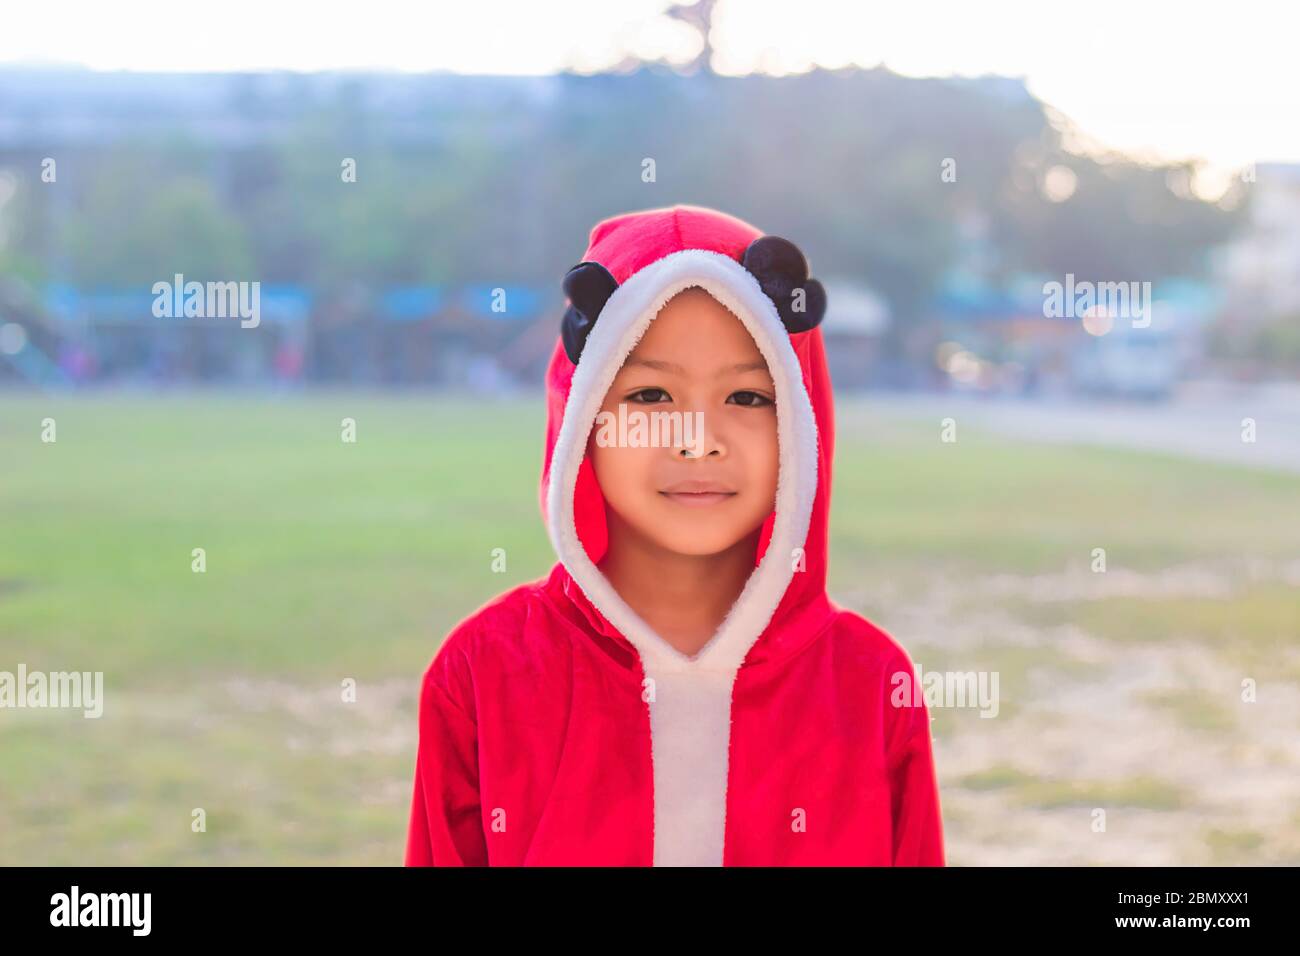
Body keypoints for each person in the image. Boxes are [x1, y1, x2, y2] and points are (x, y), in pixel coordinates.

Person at [405, 204, 945, 866]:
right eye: (650, 397)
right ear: (582, 420)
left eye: (747, 398)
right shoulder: (482, 676)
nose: (696, 442)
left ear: (801, 424)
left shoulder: (871, 685)